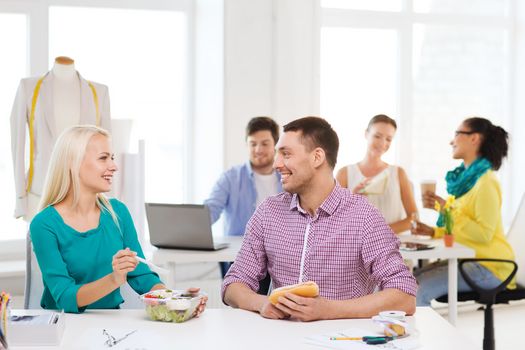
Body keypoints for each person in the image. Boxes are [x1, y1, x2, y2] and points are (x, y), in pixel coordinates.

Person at [222, 116, 417, 321]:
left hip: (343, 340)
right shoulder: (268, 212)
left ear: (317, 157)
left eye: (286, 154)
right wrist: (262, 303)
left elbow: (404, 296)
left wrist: (328, 310)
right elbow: (233, 284)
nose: (276, 163)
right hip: (279, 338)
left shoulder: (364, 217)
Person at [30, 125, 207, 314]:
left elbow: (141, 275)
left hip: (110, 322)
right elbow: (65, 297)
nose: (114, 166)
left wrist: (175, 300)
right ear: (74, 163)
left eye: (112, 158)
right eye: (103, 158)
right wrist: (114, 278)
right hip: (63, 326)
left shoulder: (117, 212)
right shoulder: (44, 224)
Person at [411, 117, 515, 306]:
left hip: (490, 267)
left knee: (415, 291)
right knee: (404, 283)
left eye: (457, 134)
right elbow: (463, 228)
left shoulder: (486, 182)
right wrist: (435, 231)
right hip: (468, 261)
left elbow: (483, 234)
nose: (452, 141)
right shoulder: (466, 183)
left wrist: (447, 211)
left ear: (474, 138)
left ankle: (424, 336)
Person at [10, 56, 111, 221]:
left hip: (85, 201)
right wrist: (20, 198)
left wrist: (106, 200)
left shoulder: (99, 93)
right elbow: (17, 146)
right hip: (39, 196)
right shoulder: (28, 88)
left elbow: (105, 151)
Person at [204, 116, 282, 279]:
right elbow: (210, 210)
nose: (258, 149)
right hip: (240, 257)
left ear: (275, 145)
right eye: (253, 144)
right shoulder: (231, 177)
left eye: (265, 143)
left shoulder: (287, 177)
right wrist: (193, 225)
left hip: (280, 255)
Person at [336, 114, 417, 234]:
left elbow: (413, 218)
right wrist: (352, 198)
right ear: (366, 134)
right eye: (377, 136)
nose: (382, 143)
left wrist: (378, 232)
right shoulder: (344, 173)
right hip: (357, 248)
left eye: (388, 139)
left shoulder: (398, 173)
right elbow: (334, 220)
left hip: (392, 246)